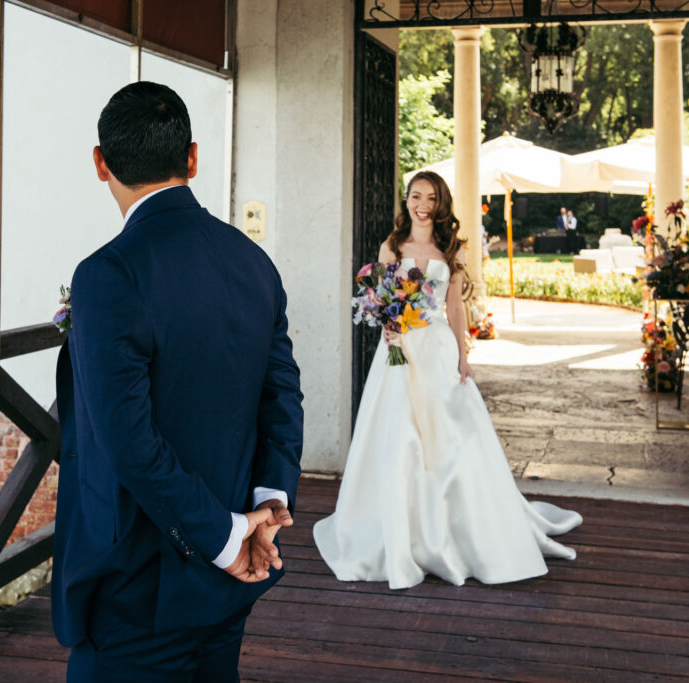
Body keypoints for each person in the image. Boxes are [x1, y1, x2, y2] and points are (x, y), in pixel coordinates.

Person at [53, 81, 304, 681]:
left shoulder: (108, 274)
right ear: (192, 158)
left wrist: (224, 535)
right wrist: (267, 505)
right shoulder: (253, 262)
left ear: (100, 162)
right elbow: (283, 397)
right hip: (232, 578)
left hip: (137, 588)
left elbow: (129, 443)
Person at [313, 171, 581, 590]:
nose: (423, 204)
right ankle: (399, 531)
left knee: (450, 435)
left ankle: (455, 529)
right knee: (398, 434)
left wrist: (463, 355)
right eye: (416, 196)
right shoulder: (392, 246)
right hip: (399, 349)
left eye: (431, 198)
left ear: (440, 205)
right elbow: (381, 294)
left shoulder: (448, 249)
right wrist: (386, 324)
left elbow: (454, 308)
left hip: (436, 349)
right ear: (406, 201)